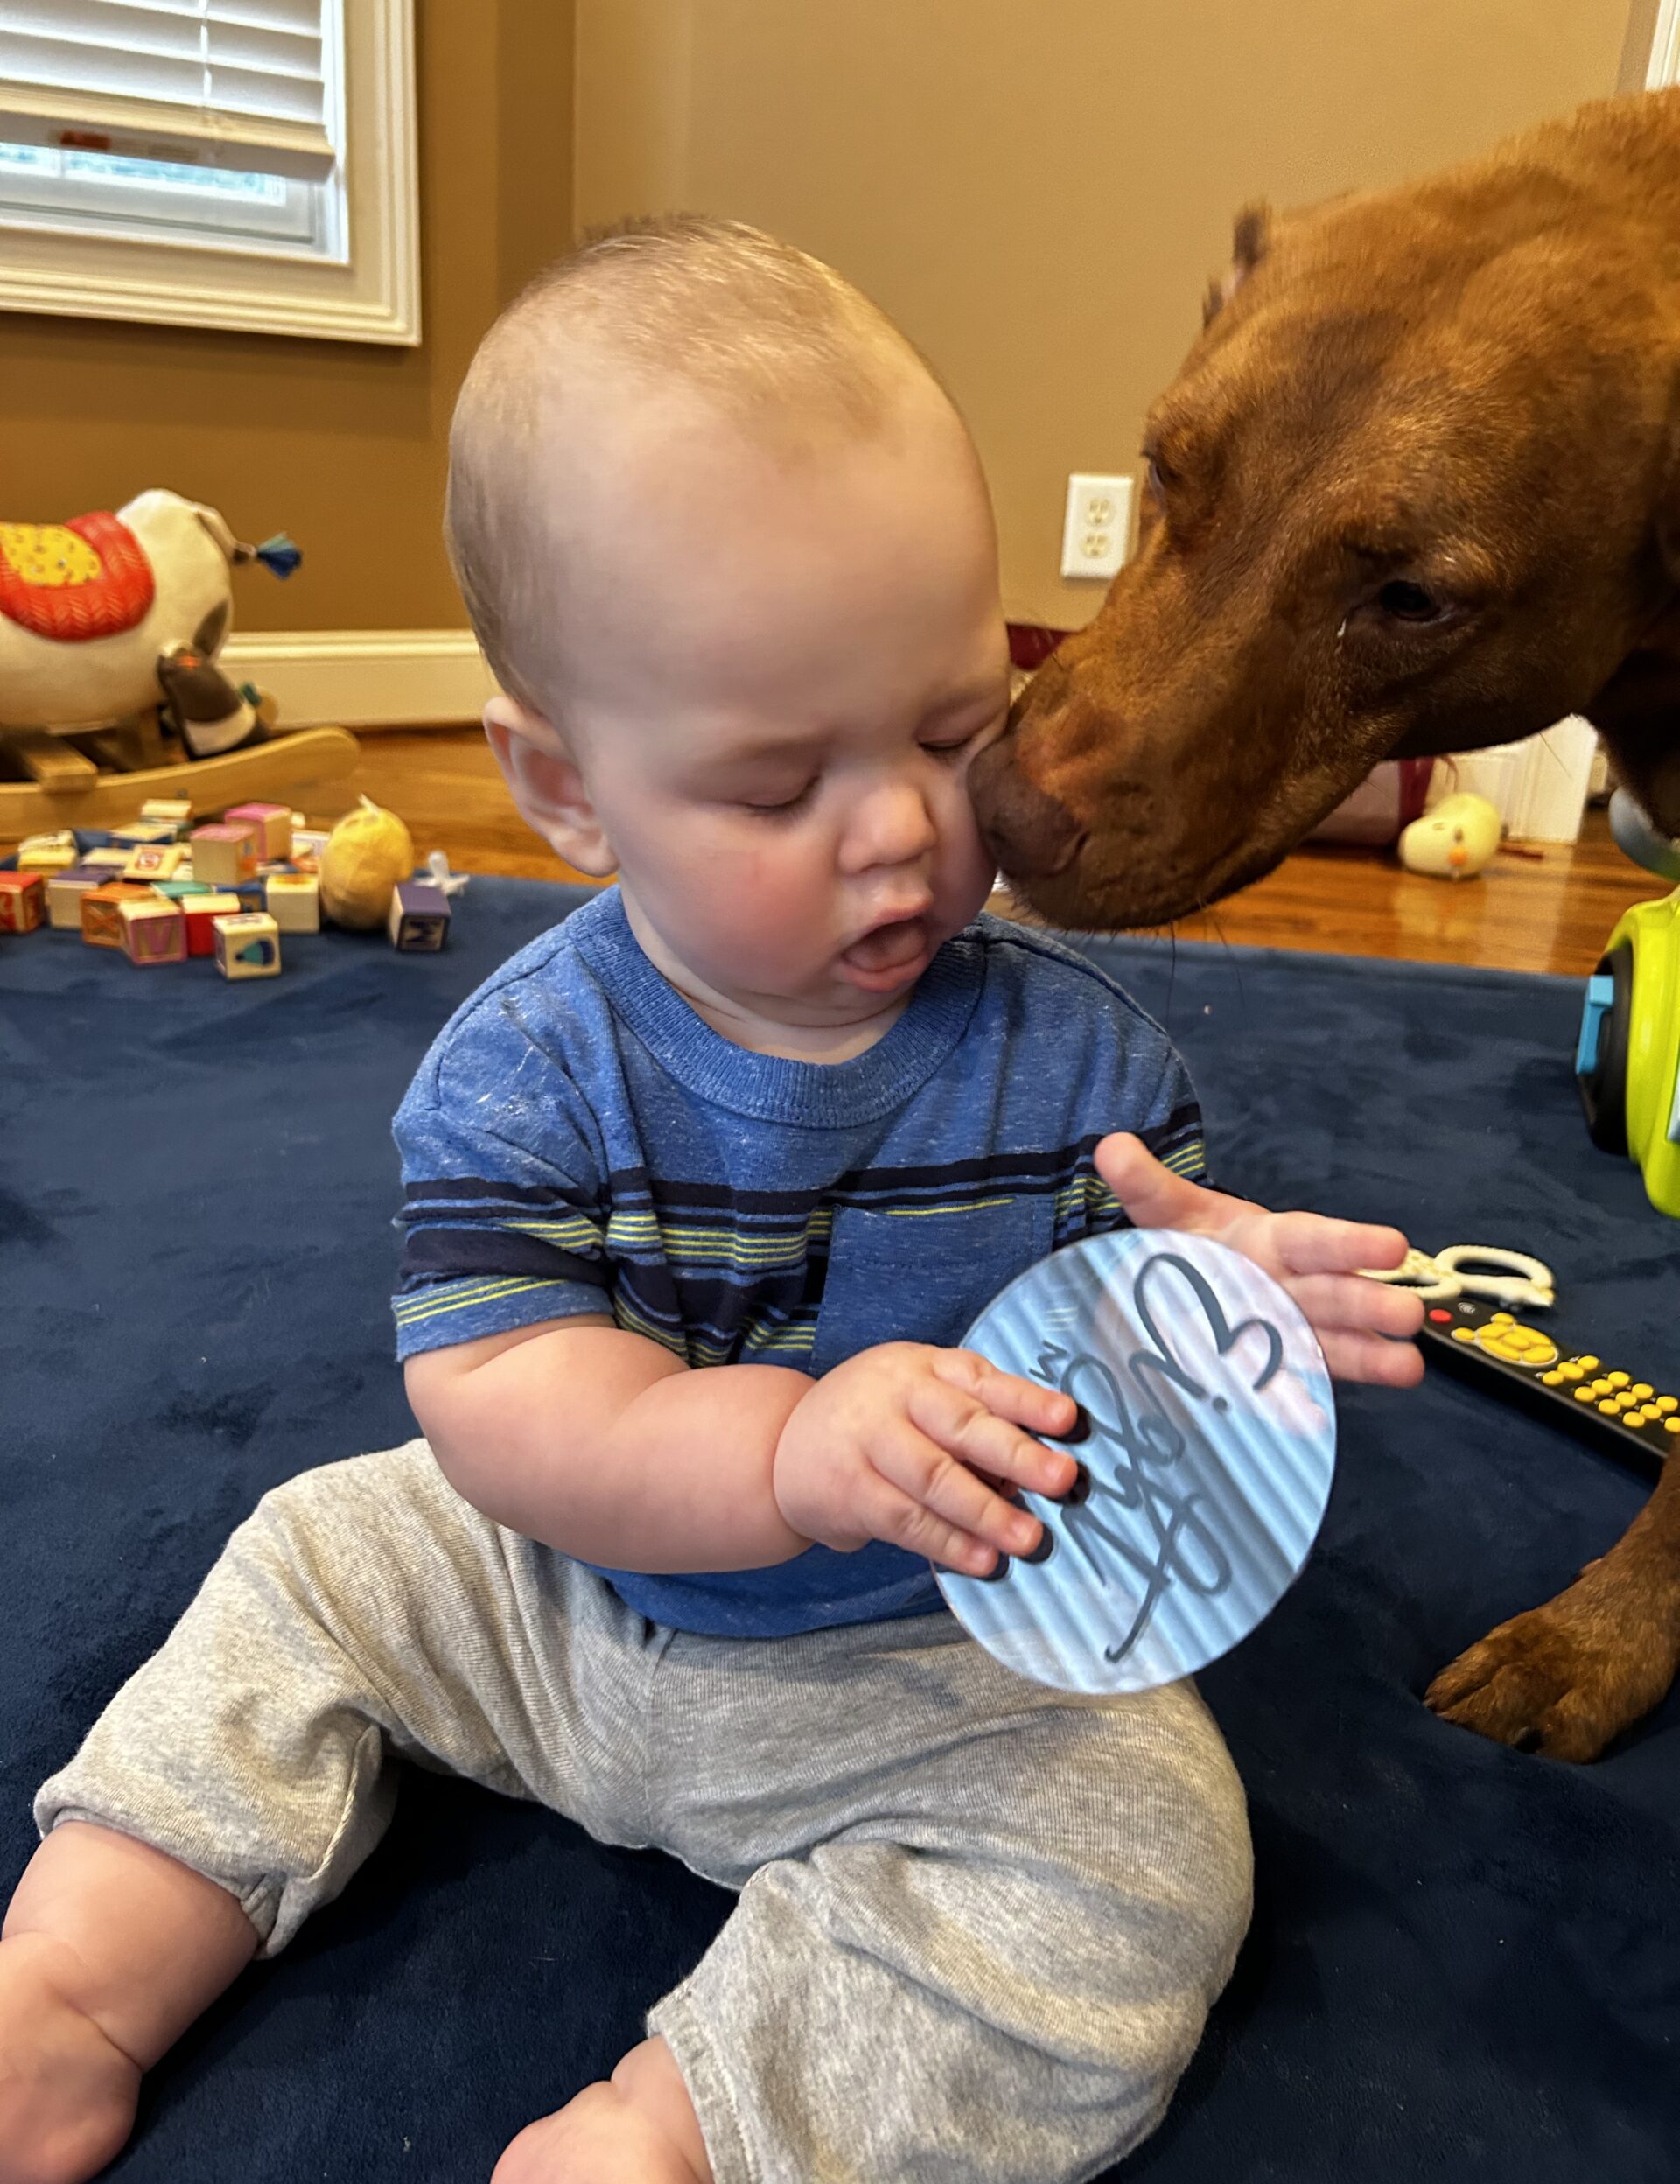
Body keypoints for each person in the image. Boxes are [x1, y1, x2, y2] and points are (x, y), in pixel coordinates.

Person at [0, 218, 1424, 2184]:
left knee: (1156, 1852)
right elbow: (504, 1406)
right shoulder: (519, 1063)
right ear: (568, 790)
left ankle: (691, 2130)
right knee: (308, 1561)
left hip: (928, 1653)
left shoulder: (1085, 1065)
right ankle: (72, 1979)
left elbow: (1108, 1368)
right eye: (775, 786)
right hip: (550, 1595)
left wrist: (1223, 1297)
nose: (905, 827)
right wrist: (791, 1442)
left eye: (951, 728)